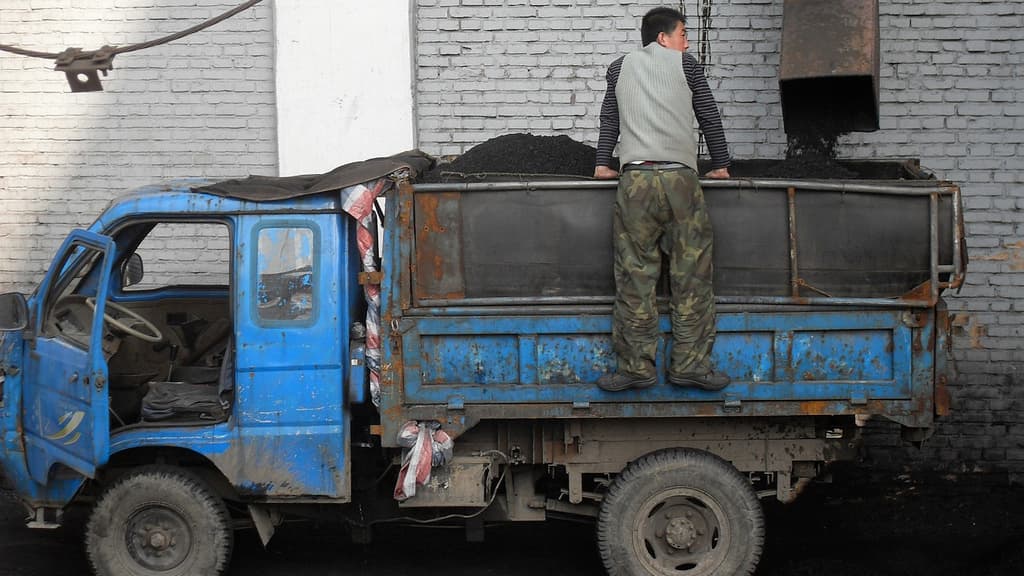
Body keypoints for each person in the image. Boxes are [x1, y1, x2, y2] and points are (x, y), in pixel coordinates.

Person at [594, 6, 731, 392]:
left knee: (635, 276)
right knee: (692, 276)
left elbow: (610, 119)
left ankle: (636, 368)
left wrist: (604, 163)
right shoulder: (686, 65)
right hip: (680, 181)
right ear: (663, 39)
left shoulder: (618, 67)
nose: (687, 41)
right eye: (683, 34)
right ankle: (690, 365)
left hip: (634, 179)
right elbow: (708, 115)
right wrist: (720, 163)